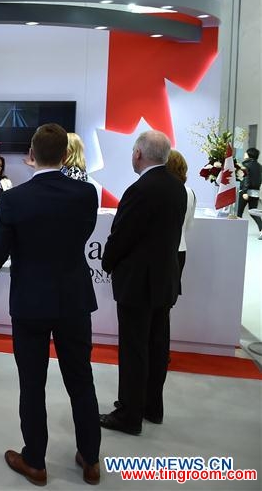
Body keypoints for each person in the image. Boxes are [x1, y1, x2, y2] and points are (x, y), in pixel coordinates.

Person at [0, 123, 101, 486]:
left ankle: (35, 460)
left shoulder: (16, 199)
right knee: (81, 379)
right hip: (74, 299)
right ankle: (91, 459)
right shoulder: (86, 195)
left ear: (31, 154)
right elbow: (83, 235)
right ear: (65, 155)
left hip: (31, 301)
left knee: (32, 383)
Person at [99, 130, 187, 435]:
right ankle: (152, 406)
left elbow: (122, 235)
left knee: (134, 348)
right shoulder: (177, 187)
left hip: (138, 283)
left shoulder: (140, 189)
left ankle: (129, 415)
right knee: (157, 345)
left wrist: (107, 262)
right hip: (164, 280)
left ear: (139, 154)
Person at [165, 150, 196, 295]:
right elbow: (189, 224)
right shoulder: (190, 192)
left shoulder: (161, 190)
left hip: (161, 251)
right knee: (168, 300)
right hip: (180, 249)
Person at [238, 147, 261, 237]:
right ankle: (261, 230)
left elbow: (246, 178)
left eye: (246, 153)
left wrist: (244, 191)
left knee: (239, 212)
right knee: (253, 212)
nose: (244, 154)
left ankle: (236, 230)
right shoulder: (259, 166)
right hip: (255, 192)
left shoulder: (245, 165)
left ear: (249, 155)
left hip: (245, 192)